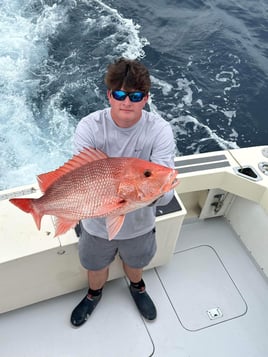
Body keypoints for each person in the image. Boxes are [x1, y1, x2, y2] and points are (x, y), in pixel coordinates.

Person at [70, 57, 175, 327]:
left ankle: (137, 286)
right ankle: (94, 294)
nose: (126, 102)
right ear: (109, 95)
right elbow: (81, 177)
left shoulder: (160, 131)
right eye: (119, 94)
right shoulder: (89, 127)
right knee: (95, 266)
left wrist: (159, 192)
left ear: (145, 98)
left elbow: (164, 192)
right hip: (95, 222)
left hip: (139, 225)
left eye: (135, 95)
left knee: (136, 262)